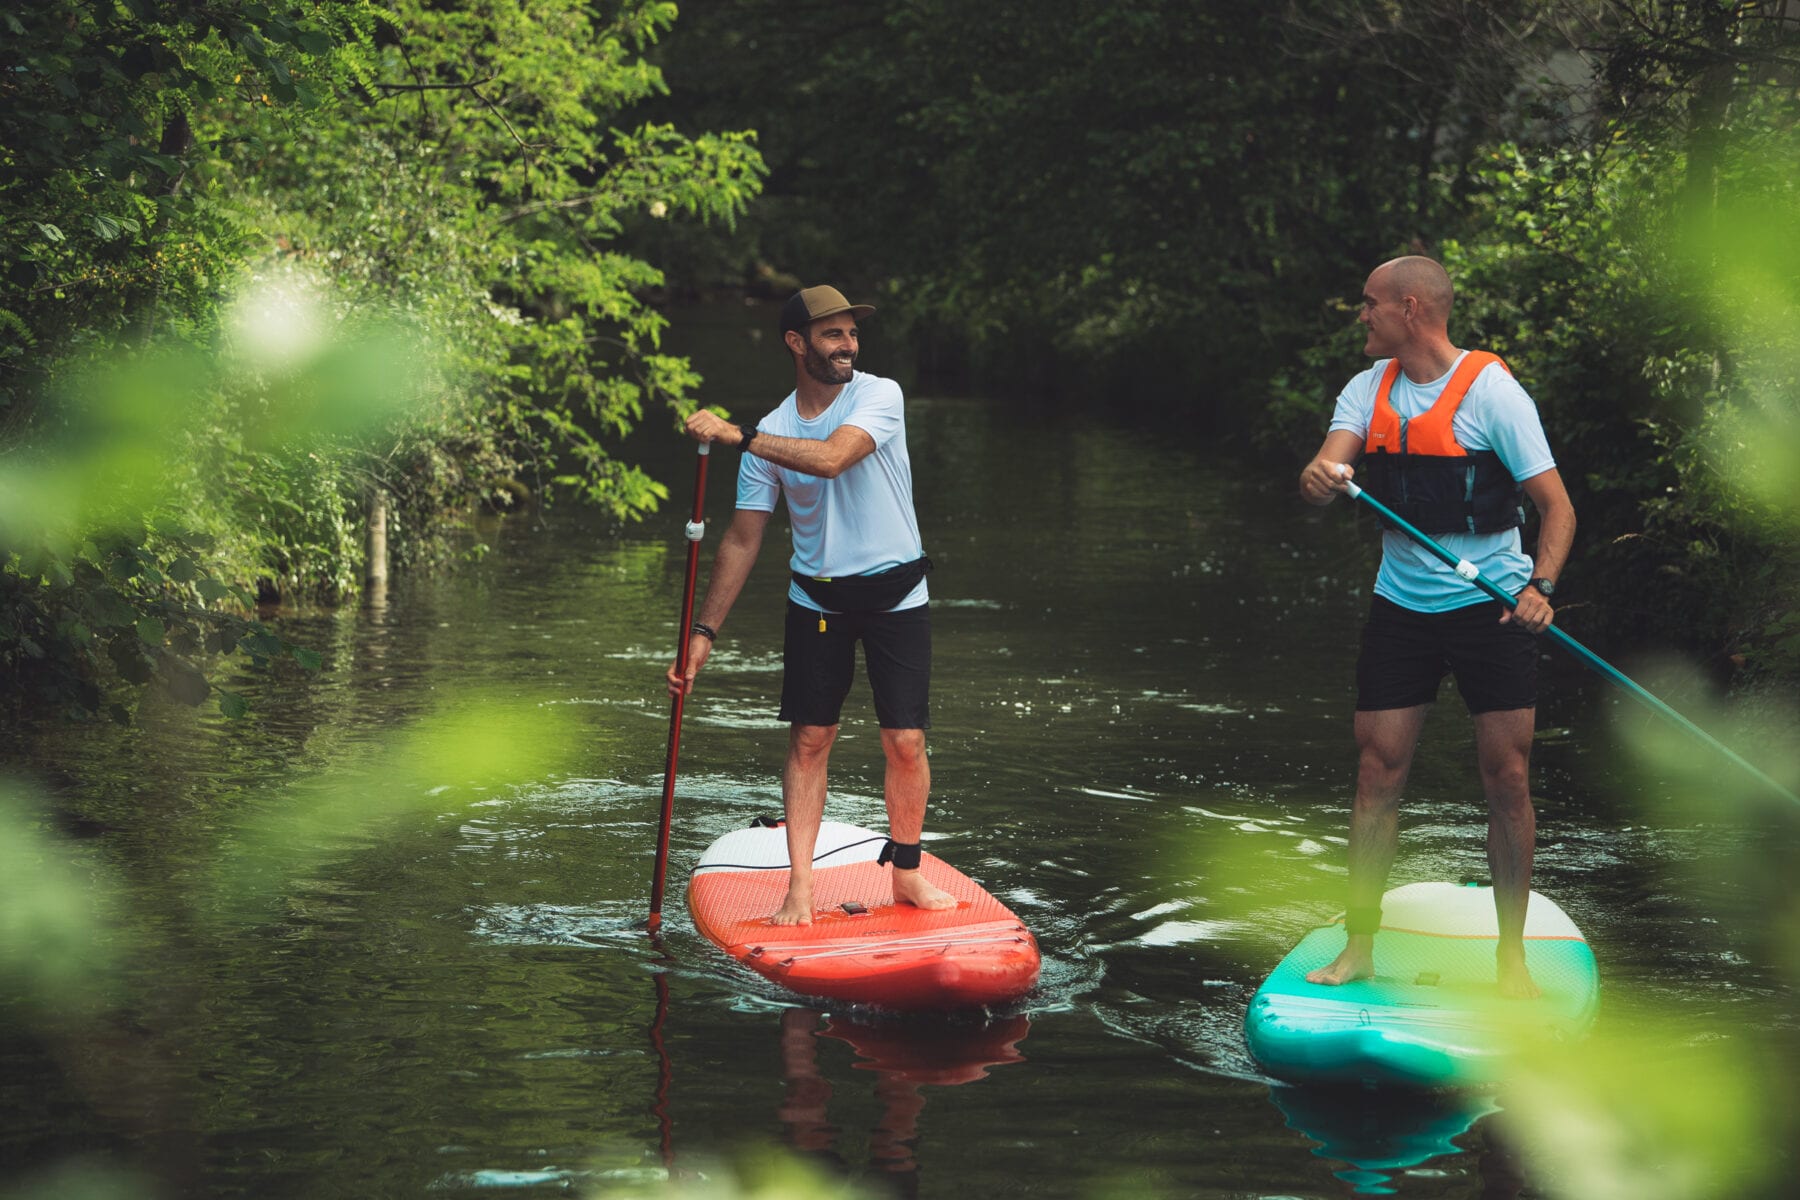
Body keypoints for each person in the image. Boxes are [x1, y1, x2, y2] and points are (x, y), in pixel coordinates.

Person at [1297, 255, 1576, 999]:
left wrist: (1541, 588)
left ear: (1411, 308)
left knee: (1507, 778)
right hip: (1403, 608)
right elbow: (1324, 472)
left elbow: (1557, 508)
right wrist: (1320, 478)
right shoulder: (1366, 389)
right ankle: (1360, 947)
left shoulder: (1494, 395)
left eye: (1369, 303)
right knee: (1375, 774)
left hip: (1492, 607)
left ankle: (1510, 962)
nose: (1362, 315)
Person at [666, 284, 955, 926]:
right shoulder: (772, 431)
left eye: (852, 333)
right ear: (797, 344)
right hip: (816, 597)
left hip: (897, 593)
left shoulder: (879, 395)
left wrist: (739, 434)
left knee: (905, 740)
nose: (847, 345)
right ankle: (800, 886)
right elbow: (742, 539)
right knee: (810, 738)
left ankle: (905, 873)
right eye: (832, 335)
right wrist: (704, 630)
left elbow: (830, 459)